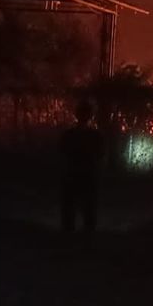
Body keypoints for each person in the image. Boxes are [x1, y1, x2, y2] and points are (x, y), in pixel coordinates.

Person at [59, 99, 104, 232]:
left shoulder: (69, 135)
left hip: (73, 174)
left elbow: (62, 152)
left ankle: (70, 236)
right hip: (88, 175)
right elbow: (100, 155)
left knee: (71, 207)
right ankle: (86, 237)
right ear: (90, 116)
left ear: (76, 115)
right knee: (88, 208)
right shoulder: (95, 136)